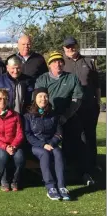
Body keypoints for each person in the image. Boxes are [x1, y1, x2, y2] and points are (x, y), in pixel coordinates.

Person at [35, 51, 93, 185]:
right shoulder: (42, 79)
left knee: (81, 140)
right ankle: (48, 174)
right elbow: (39, 99)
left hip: (68, 116)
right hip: (48, 118)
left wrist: (65, 116)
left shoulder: (72, 78)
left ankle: (83, 172)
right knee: (47, 144)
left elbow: (77, 99)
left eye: (60, 61)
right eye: (54, 61)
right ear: (49, 65)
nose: (58, 64)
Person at [62, 36, 101, 173]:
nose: (70, 48)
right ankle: (71, 162)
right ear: (64, 48)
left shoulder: (88, 61)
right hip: (70, 107)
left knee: (90, 135)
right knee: (70, 135)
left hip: (89, 106)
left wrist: (98, 102)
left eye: (72, 46)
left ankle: (93, 163)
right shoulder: (62, 63)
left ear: (77, 46)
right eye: (67, 46)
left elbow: (96, 84)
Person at [24, 88, 70, 201]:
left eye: (45, 96)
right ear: (35, 98)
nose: (43, 99)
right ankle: (51, 187)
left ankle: (62, 186)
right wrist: (43, 144)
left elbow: (59, 133)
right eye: (40, 96)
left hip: (51, 143)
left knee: (58, 153)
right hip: (35, 146)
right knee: (45, 153)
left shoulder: (54, 114)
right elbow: (28, 134)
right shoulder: (28, 116)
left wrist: (51, 143)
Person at [0, 89, 24, 192]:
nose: (2, 101)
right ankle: (4, 181)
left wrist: (13, 145)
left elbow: (19, 133)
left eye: (5, 98)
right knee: (2, 155)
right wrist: (5, 147)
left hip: (13, 145)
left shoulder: (15, 115)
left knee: (20, 157)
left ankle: (15, 181)